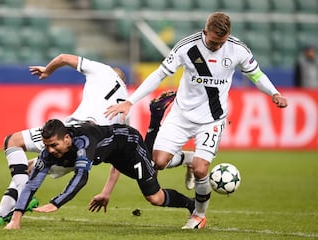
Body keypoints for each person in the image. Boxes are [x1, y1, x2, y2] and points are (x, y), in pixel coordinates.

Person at [105, 12, 288, 229]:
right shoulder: (187, 47)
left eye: (222, 42)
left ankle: (198, 215)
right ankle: (189, 159)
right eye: (213, 41)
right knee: (157, 163)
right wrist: (130, 101)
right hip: (181, 116)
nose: (218, 46)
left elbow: (256, 75)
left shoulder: (238, 49)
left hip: (212, 120)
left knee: (202, 170)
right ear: (204, 32)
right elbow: (159, 75)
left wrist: (274, 93)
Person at [0, 54, 128, 225]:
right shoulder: (126, 105)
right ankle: (3, 213)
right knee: (28, 167)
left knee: (12, 141)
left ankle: (20, 199)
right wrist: (106, 192)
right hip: (84, 150)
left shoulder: (102, 70)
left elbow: (64, 58)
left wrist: (47, 70)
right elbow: (117, 158)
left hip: (70, 132)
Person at [4, 119, 195, 229]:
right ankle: (193, 203)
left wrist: (56, 203)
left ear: (67, 138)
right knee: (154, 177)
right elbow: (32, 184)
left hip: (129, 144)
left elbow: (81, 177)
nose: (50, 150)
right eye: (47, 146)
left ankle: (155, 118)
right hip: (113, 155)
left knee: (155, 195)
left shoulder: (83, 144)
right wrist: (16, 218)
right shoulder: (49, 152)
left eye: (54, 145)